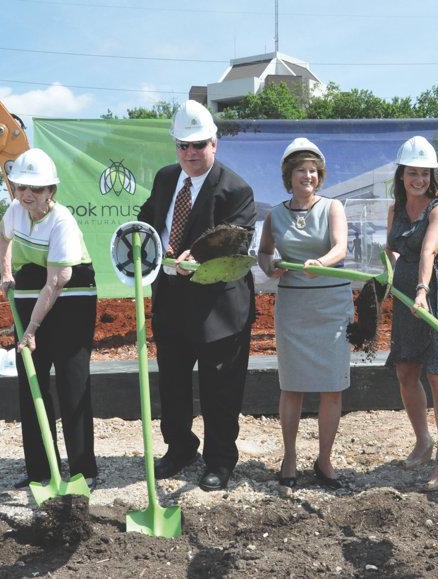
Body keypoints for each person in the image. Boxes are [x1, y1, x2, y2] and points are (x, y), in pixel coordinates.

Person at [137, 100, 256, 492]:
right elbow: (148, 221)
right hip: (171, 302)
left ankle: (220, 460)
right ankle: (180, 448)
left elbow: (232, 239)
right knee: (172, 383)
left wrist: (196, 255)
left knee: (219, 390)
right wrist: (144, 246)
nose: (191, 152)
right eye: (184, 145)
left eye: (199, 144)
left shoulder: (236, 189)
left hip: (219, 308)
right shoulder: (165, 179)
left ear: (214, 144)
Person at [0, 147, 98, 489]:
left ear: (50, 191)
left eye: (36, 189)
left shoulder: (62, 222)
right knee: (31, 382)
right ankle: (40, 472)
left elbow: (56, 282)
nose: (26, 193)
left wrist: (32, 328)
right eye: (21, 186)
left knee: (72, 382)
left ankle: (84, 471)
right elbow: (2, 234)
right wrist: (5, 269)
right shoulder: (14, 210)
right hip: (31, 288)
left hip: (72, 293)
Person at [257, 138, 352, 490]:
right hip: (294, 306)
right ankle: (290, 456)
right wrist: (271, 267)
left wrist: (321, 263)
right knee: (292, 385)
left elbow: (340, 247)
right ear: (289, 175)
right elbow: (264, 254)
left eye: (313, 170)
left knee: (332, 387)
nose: (308, 176)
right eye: (301, 170)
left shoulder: (332, 208)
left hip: (330, 305)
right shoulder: (275, 214)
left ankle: (324, 458)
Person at [385, 136, 438, 491]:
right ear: (402, 175)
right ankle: (423, 440)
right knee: (406, 368)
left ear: (432, 176)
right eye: (411, 172)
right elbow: (392, 249)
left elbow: (429, 253)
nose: (418, 179)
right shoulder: (396, 210)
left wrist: (422, 291)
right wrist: (392, 277)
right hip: (408, 290)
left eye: (424, 173)